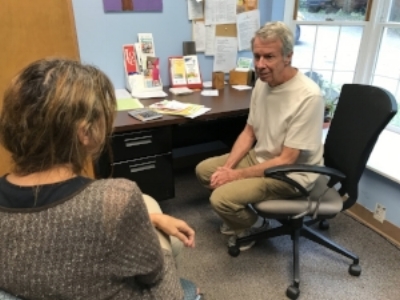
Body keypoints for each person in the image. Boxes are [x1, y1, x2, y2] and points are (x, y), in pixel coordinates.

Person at [0, 58, 198, 300]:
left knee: (150, 209)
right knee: (169, 248)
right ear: (85, 132)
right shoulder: (116, 197)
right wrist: (159, 245)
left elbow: (48, 223)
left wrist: (149, 218)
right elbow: (158, 283)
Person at [195, 21, 324, 251]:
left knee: (220, 198)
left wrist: (234, 176)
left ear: (288, 56)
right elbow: (249, 132)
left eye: (269, 57)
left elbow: (287, 160)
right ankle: (243, 216)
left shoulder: (308, 96)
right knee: (206, 171)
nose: (260, 65)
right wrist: (228, 168)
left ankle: (257, 225)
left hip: (290, 174)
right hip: (263, 157)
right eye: (257, 56)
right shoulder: (263, 84)